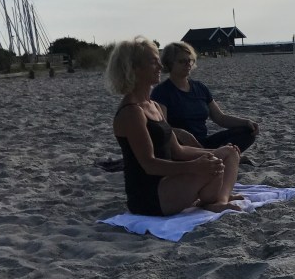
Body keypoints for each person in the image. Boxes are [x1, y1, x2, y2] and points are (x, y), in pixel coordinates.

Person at [106, 37, 241, 215]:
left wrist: (215, 153)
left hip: (170, 180)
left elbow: (178, 151)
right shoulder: (132, 111)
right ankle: (212, 201)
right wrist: (195, 166)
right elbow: (149, 165)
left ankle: (218, 200)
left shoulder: (153, 105)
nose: (160, 67)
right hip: (150, 195)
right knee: (210, 168)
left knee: (229, 154)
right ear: (134, 68)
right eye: (153, 62)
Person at [150, 41, 259, 152]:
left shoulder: (200, 88)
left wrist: (246, 122)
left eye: (190, 60)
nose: (188, 64)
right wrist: (179, 133)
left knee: (248, 131)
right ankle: (219, 155)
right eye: (182, 61)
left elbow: (220, 118)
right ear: (169, 63)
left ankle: (217, 154)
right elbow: (161, 127)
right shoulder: (162, 92)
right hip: (180, 146)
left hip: (204, 142)